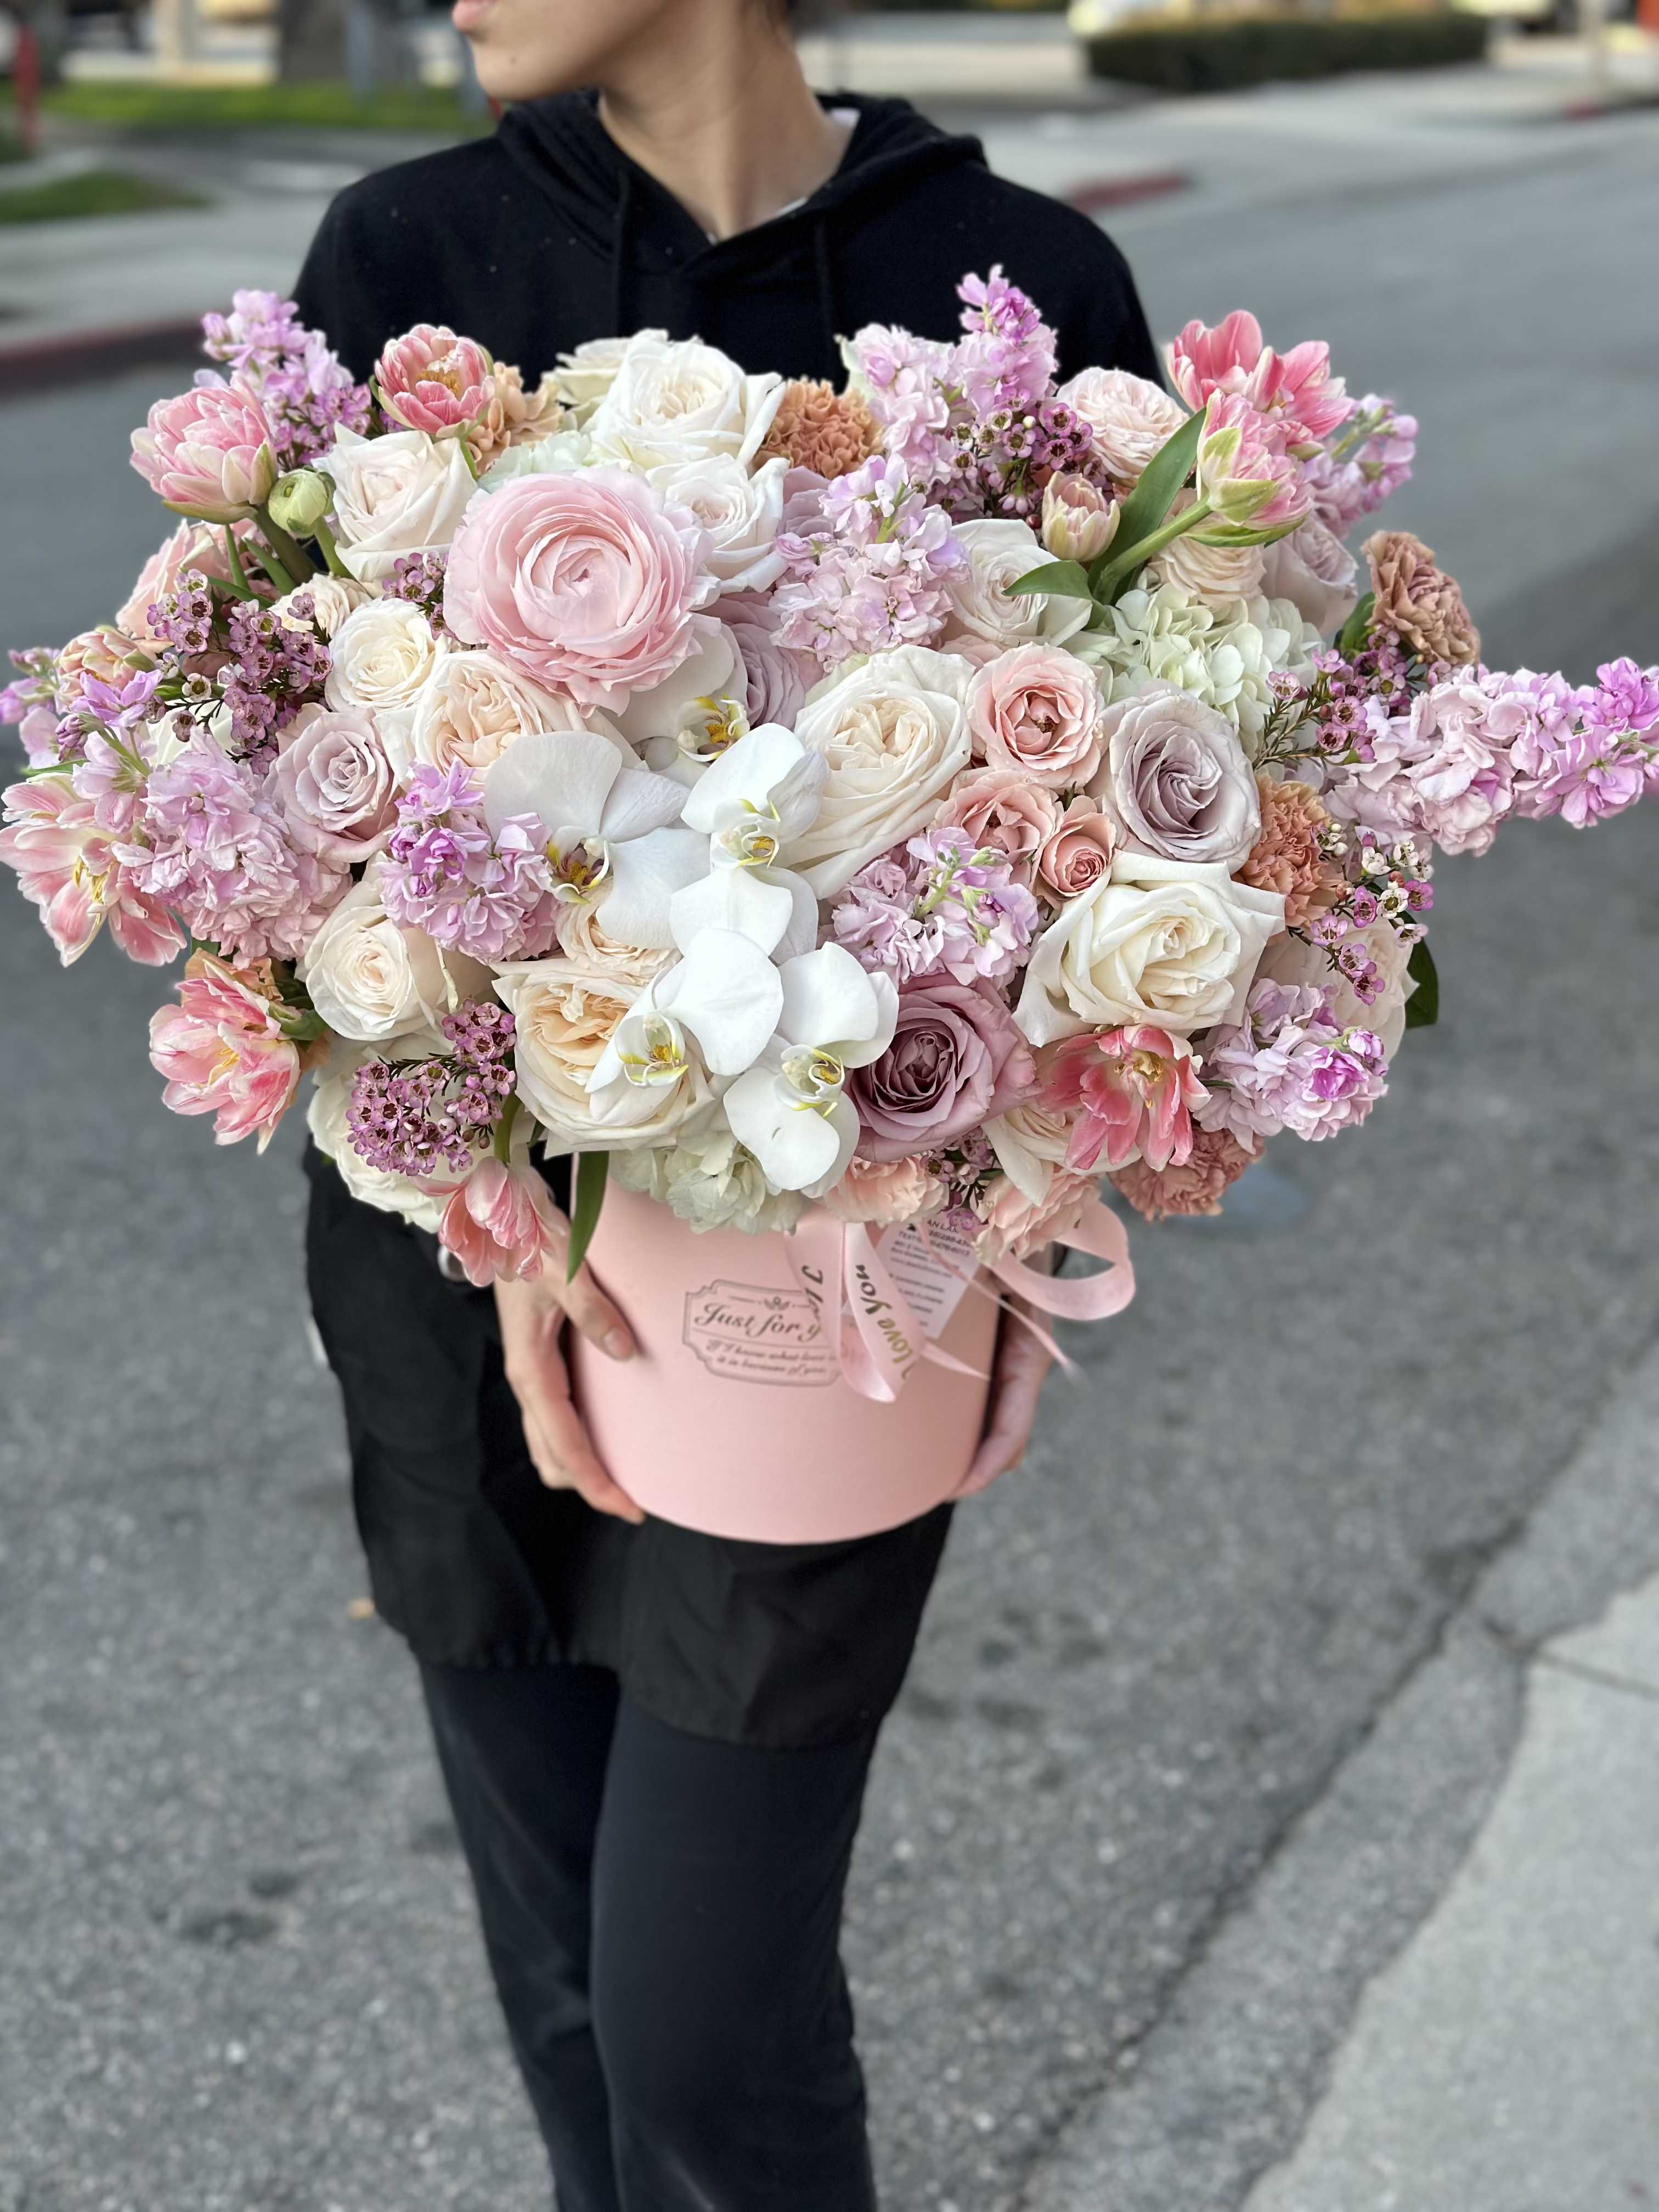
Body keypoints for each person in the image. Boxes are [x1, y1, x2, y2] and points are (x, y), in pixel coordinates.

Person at [293, 4, 1159, 2206]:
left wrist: (1023, 1209)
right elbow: (295, 824)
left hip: (809, 1312)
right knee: (575, 2002)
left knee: (706, 2026)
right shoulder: (404, 266)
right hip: (451, 1295)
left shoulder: (1018, 289)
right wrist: (494, 1213)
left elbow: (1134, 876)